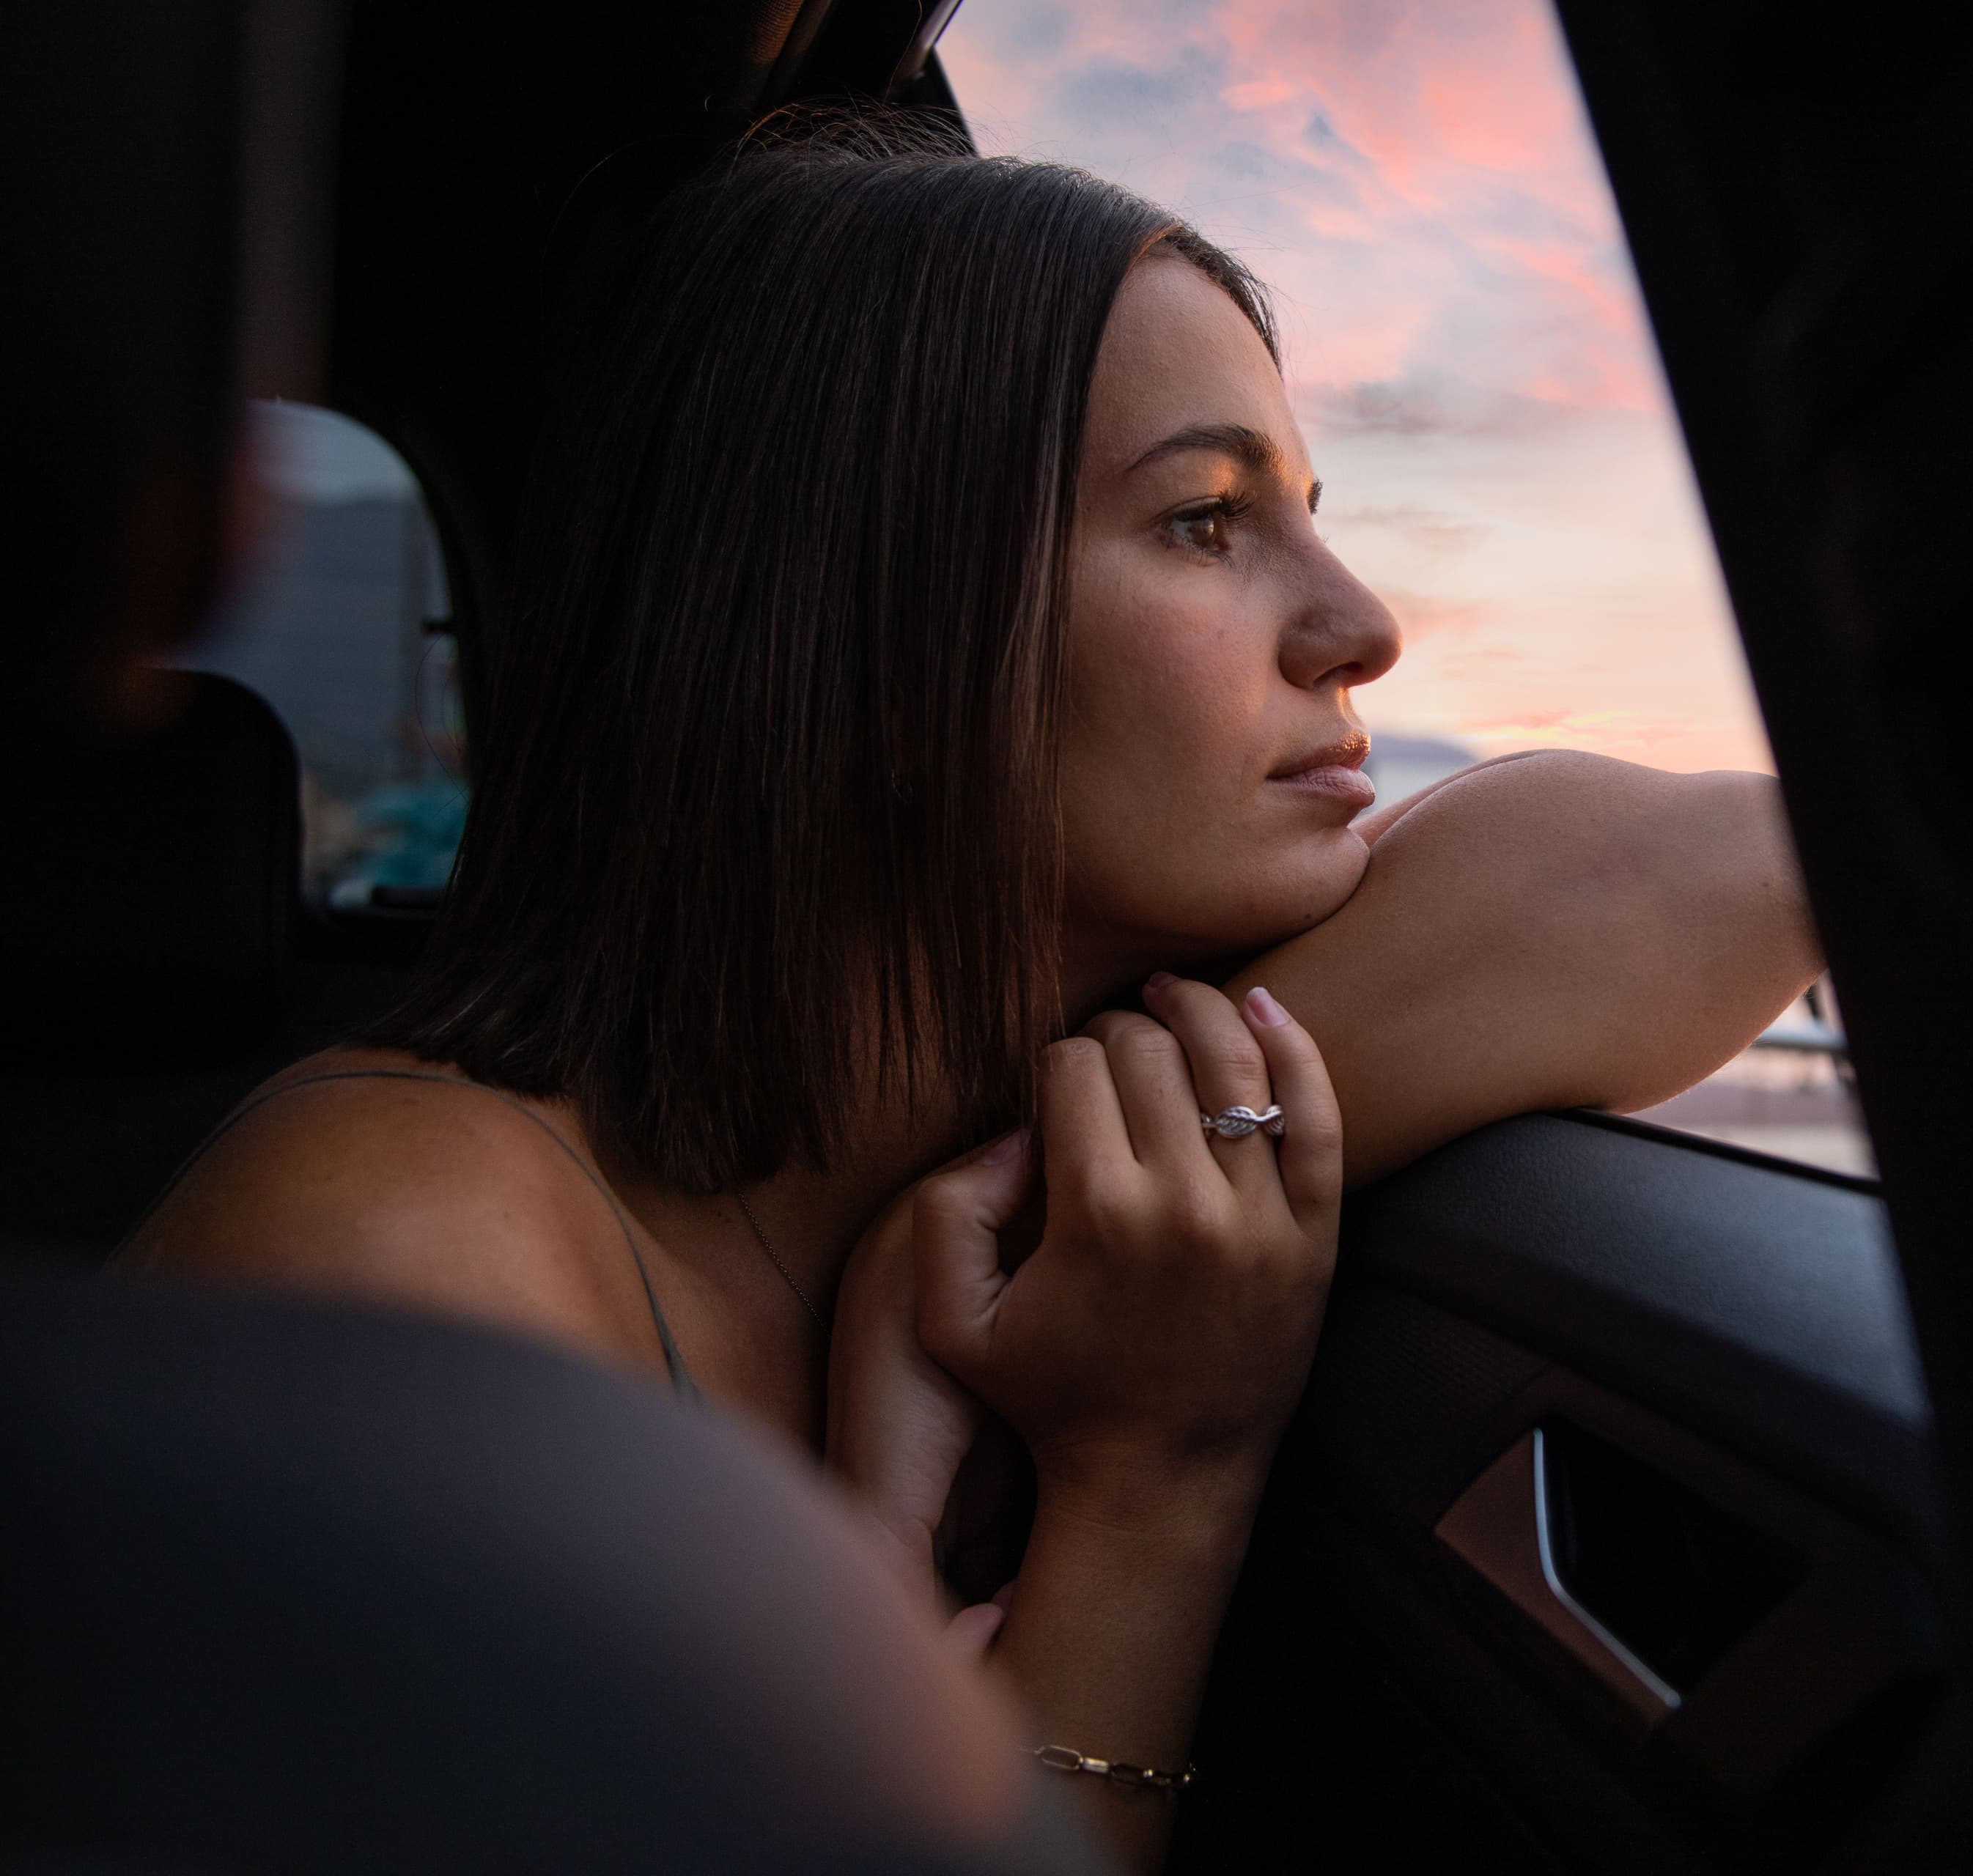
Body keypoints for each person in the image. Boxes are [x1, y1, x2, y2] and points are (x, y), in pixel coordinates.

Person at [126, 112, 1818, 1870]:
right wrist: (1153, 1480)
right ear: (870, 633)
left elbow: (1730, 868)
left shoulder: (981, 1169)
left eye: (1307, 517)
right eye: (1206, 521)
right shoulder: (401, 1258)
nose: (1364, 622)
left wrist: (982, 1214)